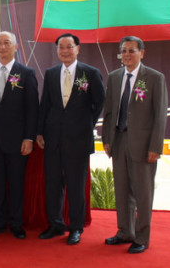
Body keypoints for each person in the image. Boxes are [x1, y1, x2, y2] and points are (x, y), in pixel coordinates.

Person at [36, 33, 105, 245]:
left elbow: (100, 102)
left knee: (76, 187)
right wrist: (40, 132)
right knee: (53, 185)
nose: (65, 51)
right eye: (61, 47)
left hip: (78, 140)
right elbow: (45, 105)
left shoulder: (90, 73)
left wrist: (86, 124)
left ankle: (75, 228)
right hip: (53, 139)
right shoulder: (51, 73)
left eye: (69, 46)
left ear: (78, 49)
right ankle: (55, 224)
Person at [101, 35, 168, 254]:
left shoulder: (154, 78)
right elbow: (109, 111)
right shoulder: (114, 77)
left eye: (131, 50)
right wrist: (107, 139)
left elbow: (160, 115)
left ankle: (141, 238)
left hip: (143, 144)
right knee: (122, 191)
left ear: (142, 53)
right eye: (123, 51)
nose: (127, 55)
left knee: (143, 193)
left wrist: (155, 146)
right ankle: (125, 232)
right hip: (119, 141)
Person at [0, 31, 38, 239]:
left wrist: (29, 137)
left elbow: (32, 108)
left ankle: (16, 223)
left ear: (16, 47)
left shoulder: (26, 73)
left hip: (17, 140)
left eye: (7, 43)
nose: (2, 47)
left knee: (16, 183)